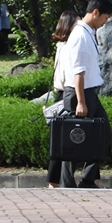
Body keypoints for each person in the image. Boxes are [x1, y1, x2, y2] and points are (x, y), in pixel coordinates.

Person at [60, 0, 112, 188]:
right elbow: (78, 72)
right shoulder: (81, 35)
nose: (105, 23)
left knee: (101, 133)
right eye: (105, 18)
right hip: (79, 93)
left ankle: (88, 179)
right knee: (75, 139)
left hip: (88, 92)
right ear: (95, 12)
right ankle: (68, 181)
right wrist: (81, 102)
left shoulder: (88, 32)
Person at [46, 10, 81, 188]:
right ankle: (60, 182)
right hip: (67, 95)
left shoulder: (60, 46)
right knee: (67, 141)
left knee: (58, 142)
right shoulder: (69, 47)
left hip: (59, 96)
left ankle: (53, 182)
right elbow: (71, 75)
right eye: (77, 23)